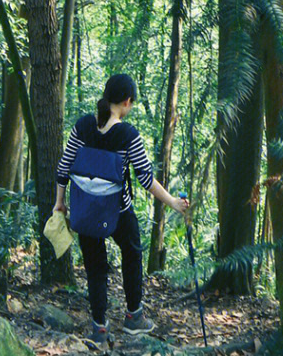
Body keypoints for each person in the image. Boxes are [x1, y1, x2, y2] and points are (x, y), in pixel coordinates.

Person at [55, 72, 189, 348]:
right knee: (132, 253)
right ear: (127, 102)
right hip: (118, 212)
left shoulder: (82, 126)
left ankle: (99, 330)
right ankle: (133, 317)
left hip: (85, 211)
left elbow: (64, 167)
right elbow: (146, 179)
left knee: (95, 267)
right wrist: (174, 202)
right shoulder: (128, 135)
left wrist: (60, 202)